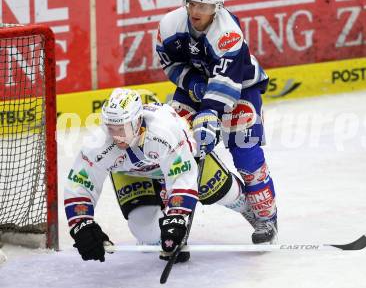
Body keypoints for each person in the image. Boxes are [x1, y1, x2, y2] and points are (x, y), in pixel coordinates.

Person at [156, 0, 277, 244]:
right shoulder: (169, 25)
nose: (196, 11)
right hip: (195, 87)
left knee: (246, 153)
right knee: (174, 149)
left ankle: (266, 216)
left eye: (204, 6)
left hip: (240, 87)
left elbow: (227, 82)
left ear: (217, 8)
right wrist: (194, 84)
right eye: (192, 3)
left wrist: (209, 114)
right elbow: (170, 65)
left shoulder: (228, 33)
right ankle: (175, 221)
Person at [65, 88, 250, 263]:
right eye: (111, 128)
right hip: (132, 172)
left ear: (137, 121)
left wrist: (177, 217)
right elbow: (81, 183)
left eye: (121, 128)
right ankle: (163, 241)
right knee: (144, 229)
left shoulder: (164, 130)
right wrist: (82, 224)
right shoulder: (98, 143)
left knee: (226, 193)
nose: (116, 136)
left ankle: (254, 209)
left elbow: (181, 176)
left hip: (181, 159)